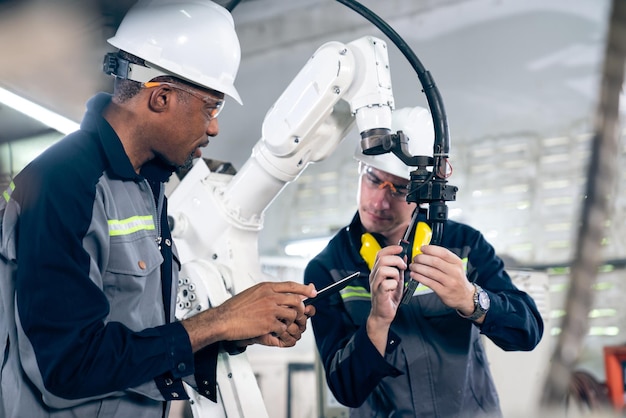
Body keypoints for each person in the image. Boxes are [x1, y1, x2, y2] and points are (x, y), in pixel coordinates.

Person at [0, 1, 316, 417]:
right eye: (211, 106)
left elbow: (141, 338)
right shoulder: (64, 184)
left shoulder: (147, 185)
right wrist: (218, 321)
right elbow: (66, 365)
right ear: (162, 97)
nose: (214, 127)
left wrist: (240, 328)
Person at [304, 106, 544, 417]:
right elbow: (345, 389)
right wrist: (377, 322)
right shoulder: (328, 269)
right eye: (373, 179)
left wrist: (472, 300)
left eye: (400, 190)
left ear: (426, 191)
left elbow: (527, 332)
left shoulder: (464, 246)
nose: (378, 201)